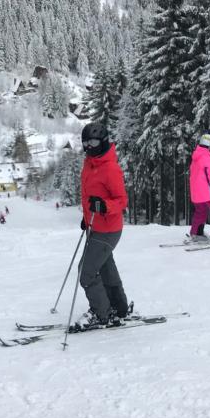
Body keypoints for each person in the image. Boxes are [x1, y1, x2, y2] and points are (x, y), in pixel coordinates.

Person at [78, 122, 130, 326]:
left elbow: (122, 201)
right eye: (85, 143)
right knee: (106, 269)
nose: (88, 147)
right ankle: (119, 307)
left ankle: (102, 313)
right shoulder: (90, 163)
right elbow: (89, 195)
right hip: (95, 226)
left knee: (86, 273)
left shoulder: (110, 168)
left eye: (92, 142)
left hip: (108, 229)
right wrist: (87, 217)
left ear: (103, 141)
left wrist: (104, 206)